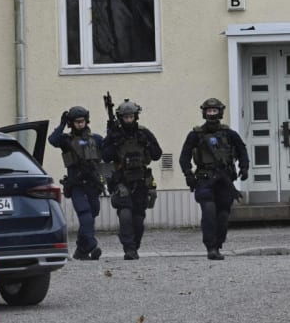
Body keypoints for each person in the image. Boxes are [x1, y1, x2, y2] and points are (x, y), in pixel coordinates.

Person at [179, 98, 249, 260]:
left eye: (214, 111)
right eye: (209, 111)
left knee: (223, 216)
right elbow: (184, 156)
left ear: (220, 112)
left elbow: (242, 150)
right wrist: (188, 174)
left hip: (224, 181)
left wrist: (244, 167)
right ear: (204, 113)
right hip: (205, 179)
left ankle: (218, 245)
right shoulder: (195, 135)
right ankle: (210, 247)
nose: (211, 114)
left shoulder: (229, 134)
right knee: (209, 212)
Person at [102, 99, 162, 260]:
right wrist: (114, 142)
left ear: (136, 117)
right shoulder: (115, 134)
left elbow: (157, 154)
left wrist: (147, 143)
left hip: (141, 180)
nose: (128, 120)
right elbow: (104, 157)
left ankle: (134, 245)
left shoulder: (144, 133)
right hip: (122, 180)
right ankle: (128, 248)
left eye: (131, 117)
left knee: (138, 219)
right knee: (125, 215)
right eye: (125, 117)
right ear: (121, 118)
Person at [48, 105, 105, 260]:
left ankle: (81, 250)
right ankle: (92, 245)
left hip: (92, 184)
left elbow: (108, 152)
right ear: (71, 123)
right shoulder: (66, 140)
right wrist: (61, 124)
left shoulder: (96, 139)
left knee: (92, 214)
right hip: (76, 184)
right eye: (76, 122)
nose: (80, 124)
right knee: (84, 214)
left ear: (87, 121)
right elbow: (52, 140)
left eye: (82, 121)